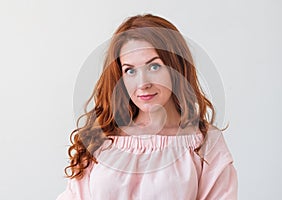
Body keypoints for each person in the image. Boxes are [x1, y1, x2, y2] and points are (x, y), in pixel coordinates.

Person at [56, 14, 238, 200]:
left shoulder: (205, 142)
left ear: (177, 68)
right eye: (130, 70)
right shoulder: (100, 136)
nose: (142, 83)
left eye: (154, 67)